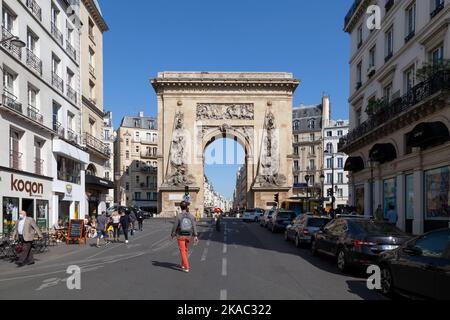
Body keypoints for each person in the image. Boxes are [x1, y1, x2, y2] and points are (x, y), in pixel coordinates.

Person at [171, 202, 198, 273]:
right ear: (186, 207)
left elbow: (175, 226)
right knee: (185, 250)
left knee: (182, 251)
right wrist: (195, 235)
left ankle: (186, 266)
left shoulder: (178, 216)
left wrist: (172, 234)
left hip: (180, 235)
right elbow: (194, 226)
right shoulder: (191, 216)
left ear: (180, 207)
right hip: (188, 235)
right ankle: (183, 264)